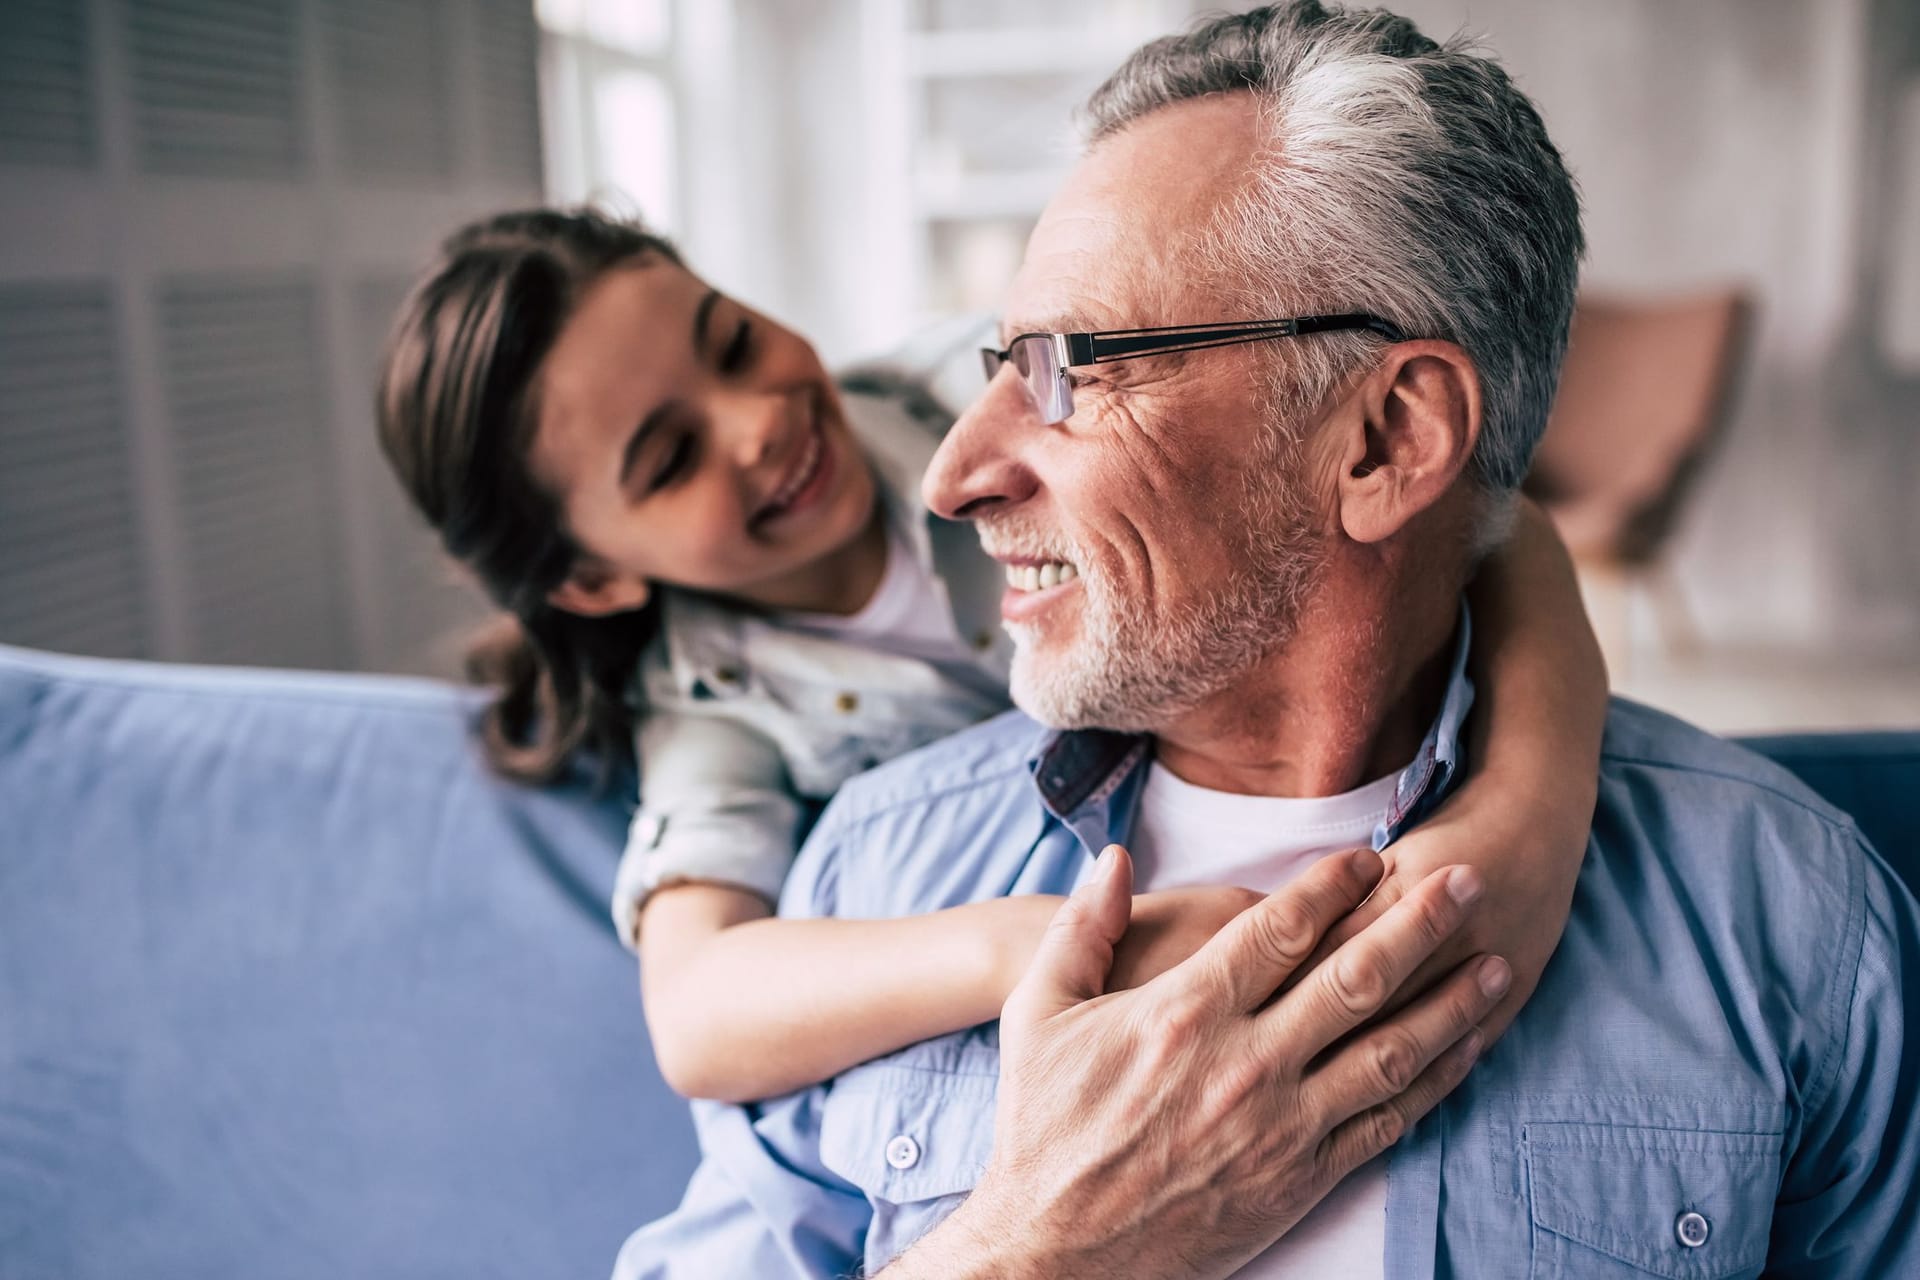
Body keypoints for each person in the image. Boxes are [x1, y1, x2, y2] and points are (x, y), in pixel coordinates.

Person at [611, 4, 1920, 1278]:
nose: (951, 479)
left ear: (1388, 440)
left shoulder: (1781, 916)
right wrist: (1038, 1249)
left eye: (1071, 367)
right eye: (998, 363)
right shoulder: (875, 878)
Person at [375, 201, 1605, 1107]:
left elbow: (1490, 519)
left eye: (733, 340)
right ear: (595, 577)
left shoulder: (989, 377)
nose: (759, 422)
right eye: (669, 459)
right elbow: (698, 1014)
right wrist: (1040, 942)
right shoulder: (713, 710)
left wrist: (1527, 819)